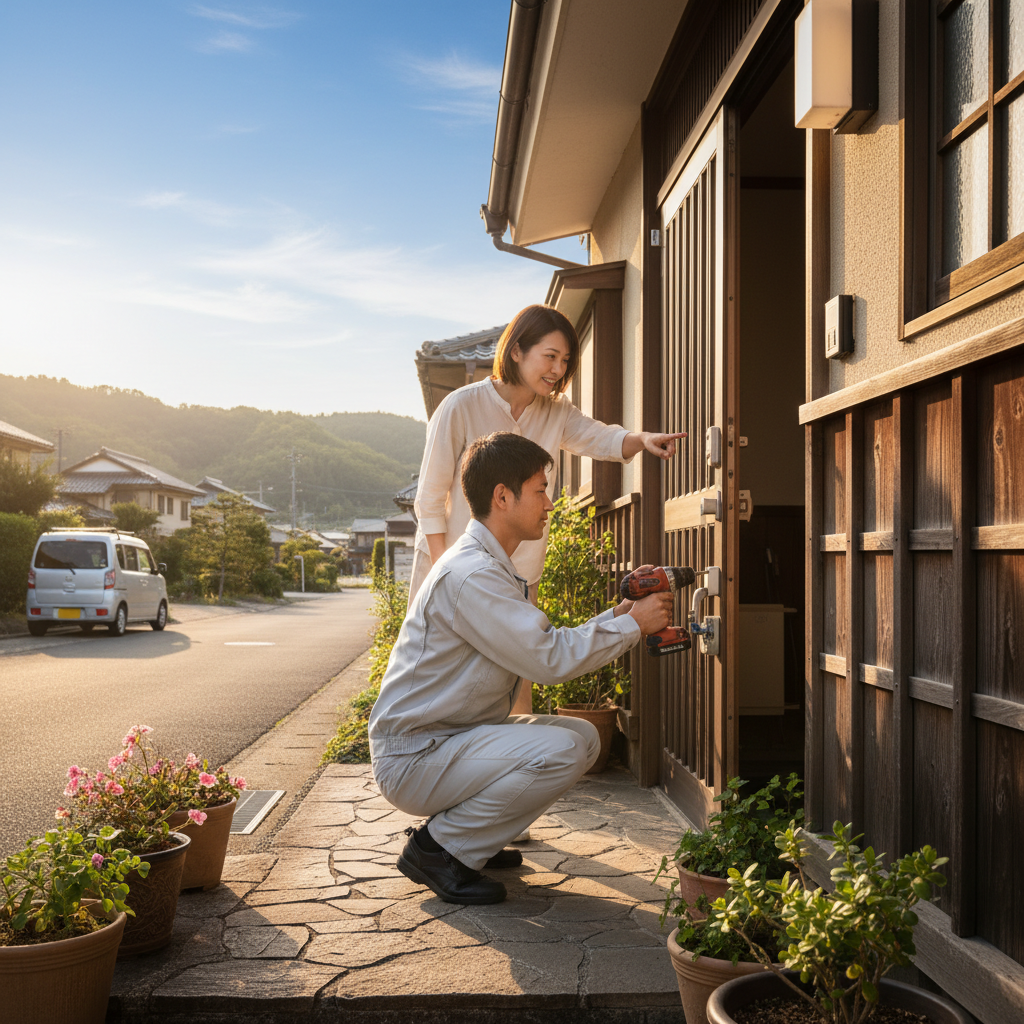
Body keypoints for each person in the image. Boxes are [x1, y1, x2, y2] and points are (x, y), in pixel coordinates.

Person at [369, 431, 672, 905]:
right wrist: (633, 627)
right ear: (502, 497)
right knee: (558, 750)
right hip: (417, 755)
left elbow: (542, 644)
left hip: (447, 739)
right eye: (540, 490)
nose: (549, 503)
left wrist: (619, 616)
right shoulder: (472, 575)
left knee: (583, 738)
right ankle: (438, 850)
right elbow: (548, 658)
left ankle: (475, 842)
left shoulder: (489, 565)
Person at [411, 303, 684, 719]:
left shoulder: (556, 412)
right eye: (550, 356)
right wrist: (443, 573)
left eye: (566, 360)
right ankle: (430, 765)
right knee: (445, 680)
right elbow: (430, 501)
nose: (558, 369)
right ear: (517, 351)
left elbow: (600, 437)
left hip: (519, 571)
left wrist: (642, 439)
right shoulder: (461, 406)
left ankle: (513, 769)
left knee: (517, 679)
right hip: (450, 565)